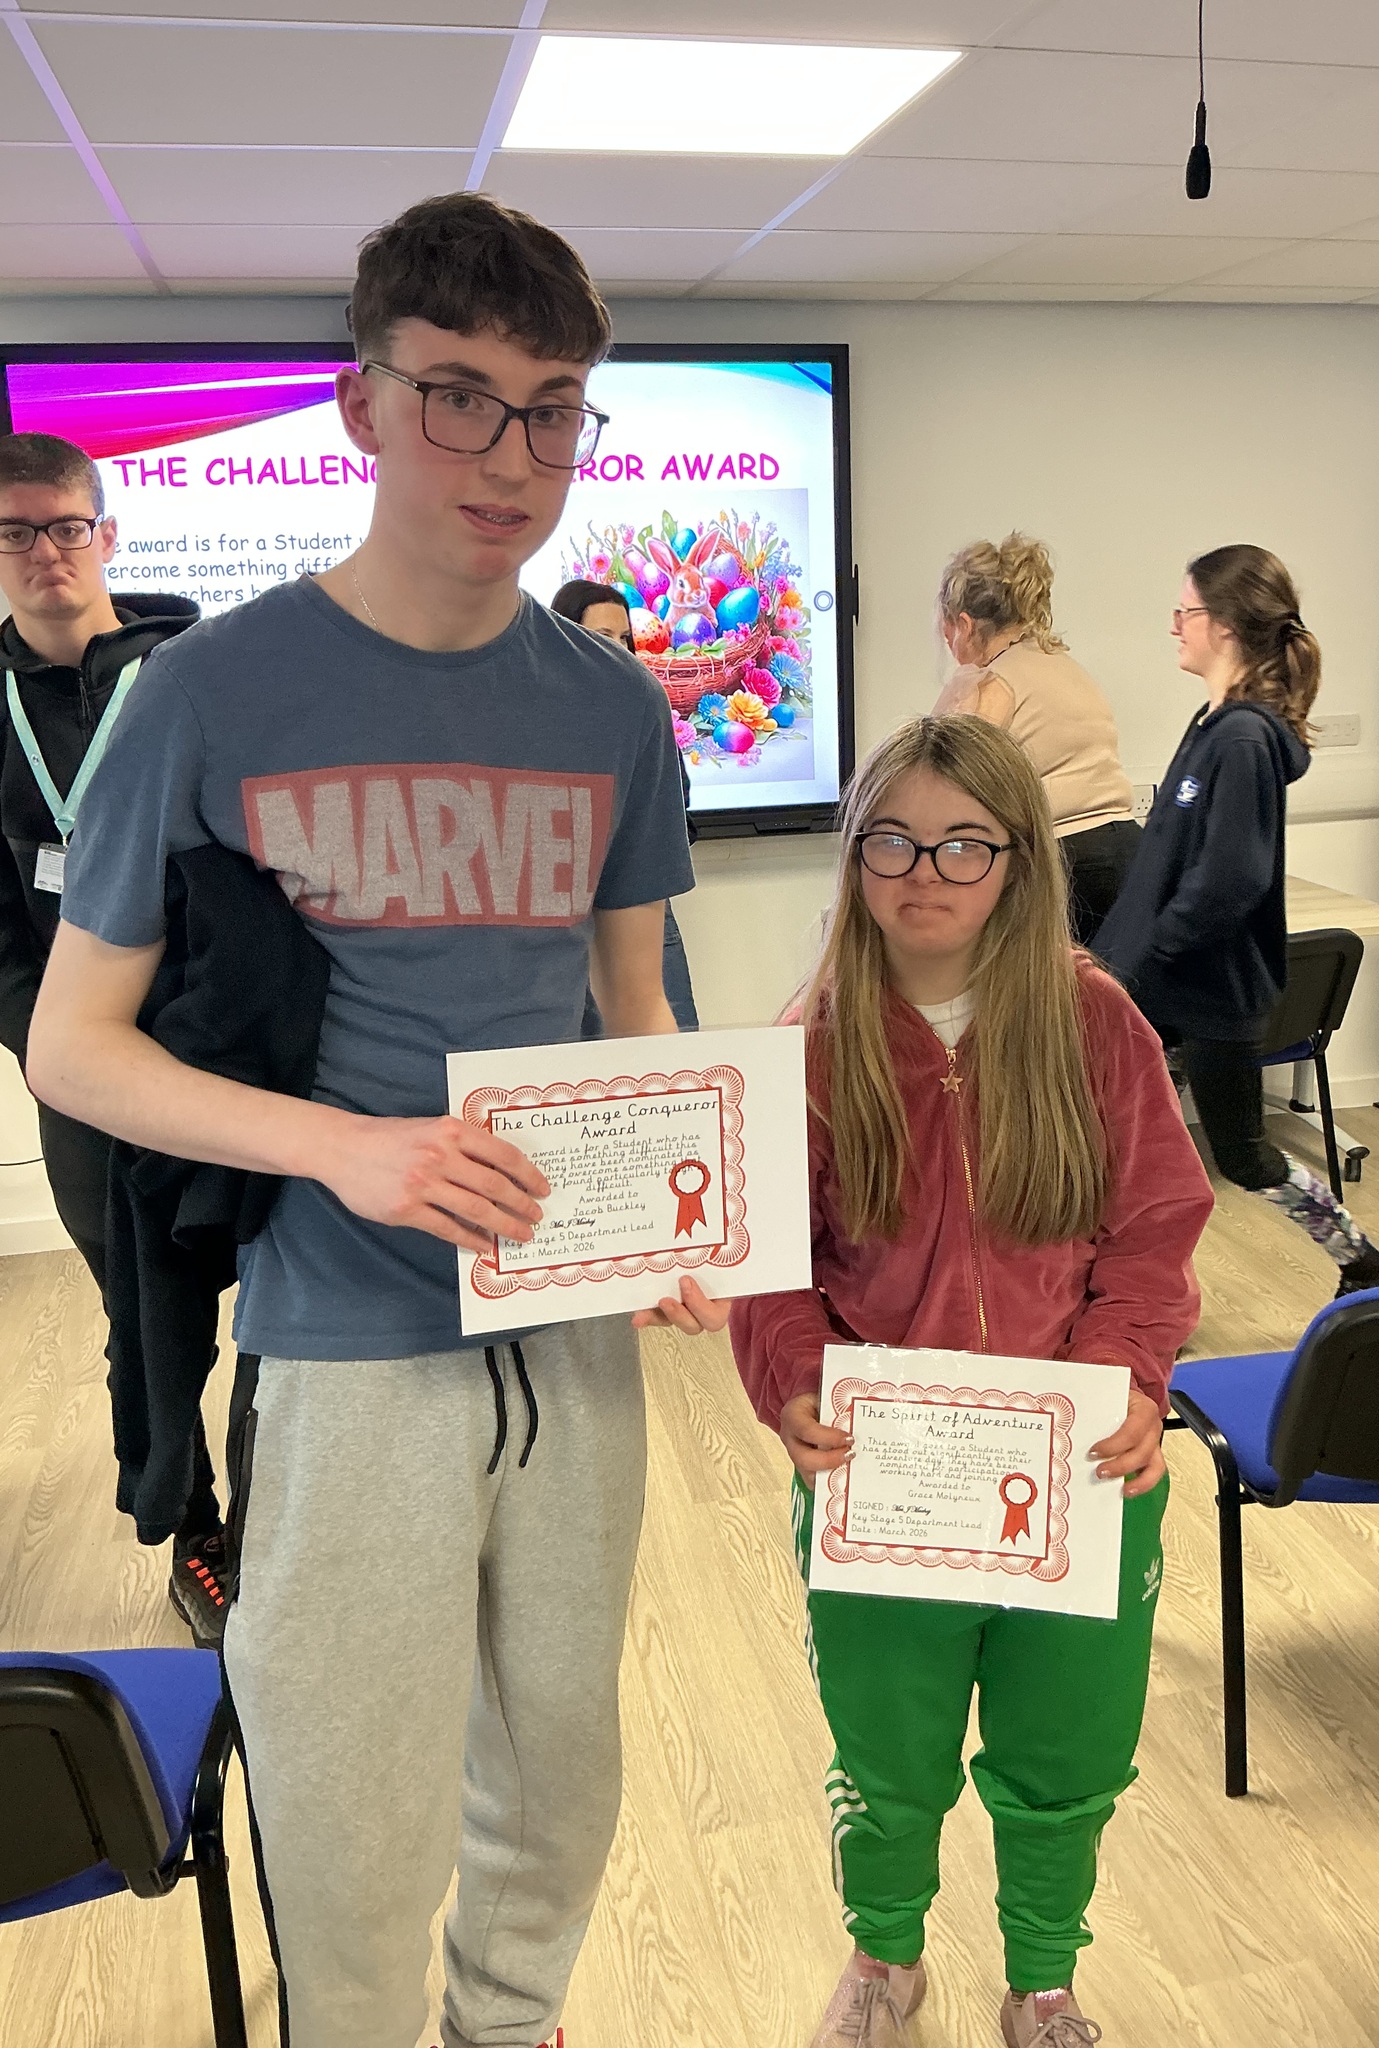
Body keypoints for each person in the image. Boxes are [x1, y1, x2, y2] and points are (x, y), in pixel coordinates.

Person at [27, 193, 728, 2048]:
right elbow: (74, 1048)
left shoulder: (611, 707)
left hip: (564, 1331)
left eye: (553, 409)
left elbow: (635, 1001)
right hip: (343, 1340)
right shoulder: (205, 693)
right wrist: (346, 1146)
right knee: (352, 1794)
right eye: (458, 397)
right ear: (361, 401)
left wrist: (680, 1206)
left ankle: (510, 2021)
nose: (511, 458)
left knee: (561, 1759)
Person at [731, 715, 1215, 2048]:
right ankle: (884, 1958)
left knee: (1067, 1748)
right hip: (883, 1471)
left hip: (1082, 1462)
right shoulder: (811, 1040)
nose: (924, 871)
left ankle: (1043, 1976)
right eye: (891, 840)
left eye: (963, 844)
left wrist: (1129, 1375)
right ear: (854, 857)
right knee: (887, 1752)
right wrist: (791, 1381)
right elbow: (772, 1264)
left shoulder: (1094, 1022)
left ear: (1018, 859)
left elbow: (1154, 1229)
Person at [0, 430, 229, 1644]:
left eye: (66, 526)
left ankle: (295, 1510)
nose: (45, 551)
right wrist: (52, 1044)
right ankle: (199, 1534)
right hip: (81, 1076)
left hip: (229, 1057)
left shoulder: (198, 671)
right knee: (141, 1313)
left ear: (108, 535)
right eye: (15, 532)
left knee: (282, 1289)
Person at [1094, 544, 1379, 1296]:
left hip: (1207, 992)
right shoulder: (1212, 724)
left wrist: (1144, 957)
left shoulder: (1242, 740)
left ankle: (1370, 1265)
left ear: (1227, 625)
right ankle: (1122, 1292)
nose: (1174, 625)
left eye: (1186, 611)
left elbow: (1230, 881)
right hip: (1158, 985)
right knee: (1115, 1145)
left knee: (1242, 1155)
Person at [934, 534, 1139, 947]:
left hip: (1069, 863)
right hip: (1130, 851)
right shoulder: (1064, 665)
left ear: (965, 625)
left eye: (947, 630)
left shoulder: (987, 683)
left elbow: (946, 783)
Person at [549, 575, 699, 1031]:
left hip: (638, 898)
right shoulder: (538, 722)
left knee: (673, 1036)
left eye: (624, 639)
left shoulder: (643, 710)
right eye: (602, 637)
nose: (617, 651)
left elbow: (674, 808)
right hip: (560, 909)